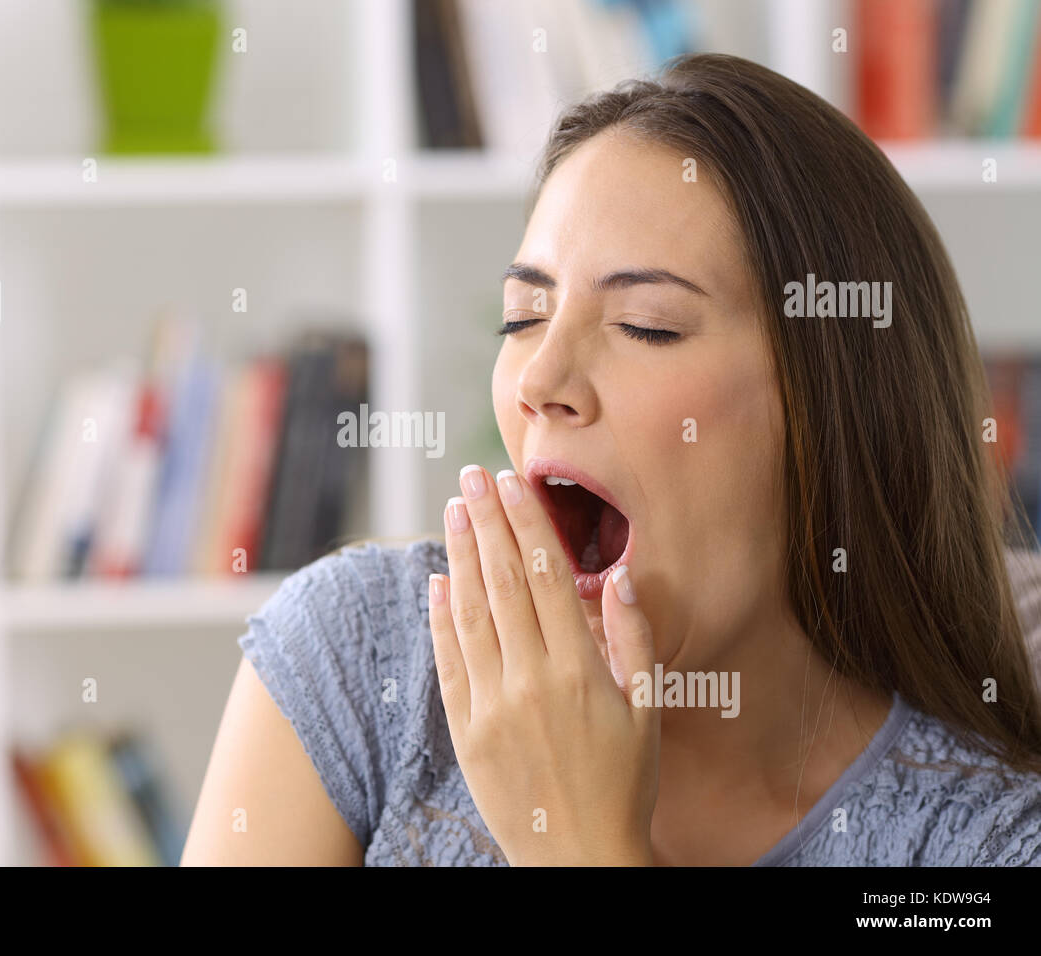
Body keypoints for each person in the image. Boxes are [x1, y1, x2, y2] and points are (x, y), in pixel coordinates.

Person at [180, 53, 1041, 866]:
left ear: (833, 410)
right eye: (522, 318)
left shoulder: (979, 842)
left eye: (646, 326)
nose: (542, 379)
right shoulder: (359, 657)